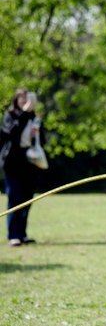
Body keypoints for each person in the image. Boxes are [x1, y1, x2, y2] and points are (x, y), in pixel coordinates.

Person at [0, 88, 42, 246]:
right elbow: (8, 134)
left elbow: (40, 140)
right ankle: (13, 235)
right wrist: (24, 113)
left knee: (27, 199)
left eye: (29, 99)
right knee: (15, 198)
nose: (26, 102)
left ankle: (22, 233)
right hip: (13, 163)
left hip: (30, 162)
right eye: (22, 99)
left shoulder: (35, 118)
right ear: (16, 100)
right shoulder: (10, 116)